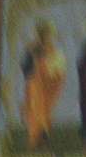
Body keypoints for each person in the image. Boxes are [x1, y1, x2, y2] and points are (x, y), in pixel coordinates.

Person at [20, 18, 65, 148]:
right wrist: (32, 68)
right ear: (38, 33)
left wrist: (54, 72)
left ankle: (41, 137)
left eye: (45, 32)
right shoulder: (32, 47)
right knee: (34, 109)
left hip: (46, 83)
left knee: (43, 110)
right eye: (41, 32)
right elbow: (25, 66)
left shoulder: (50, 47)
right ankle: (33, 137)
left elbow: (56, 66)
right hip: (33, 83)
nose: (43, 34)